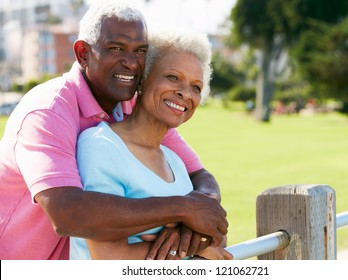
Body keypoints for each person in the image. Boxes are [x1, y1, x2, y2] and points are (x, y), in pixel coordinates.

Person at [0, 1, 227, 260]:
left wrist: (192, 228)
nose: (131, 63)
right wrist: (184, 210)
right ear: (83, 53)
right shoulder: (48, 111)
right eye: (116, 48)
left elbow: (200, 176)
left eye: (140, 50)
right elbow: (68, 214)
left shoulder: (133, 104)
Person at [70, 30, 232, 260]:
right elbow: (106, 256)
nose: (184, 93)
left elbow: (216, 232)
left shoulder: (174, 161)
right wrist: (194, 248)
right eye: (173, 77)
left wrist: (190, 235)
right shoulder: (100, 146)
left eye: (196, 87)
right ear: (142, 80)